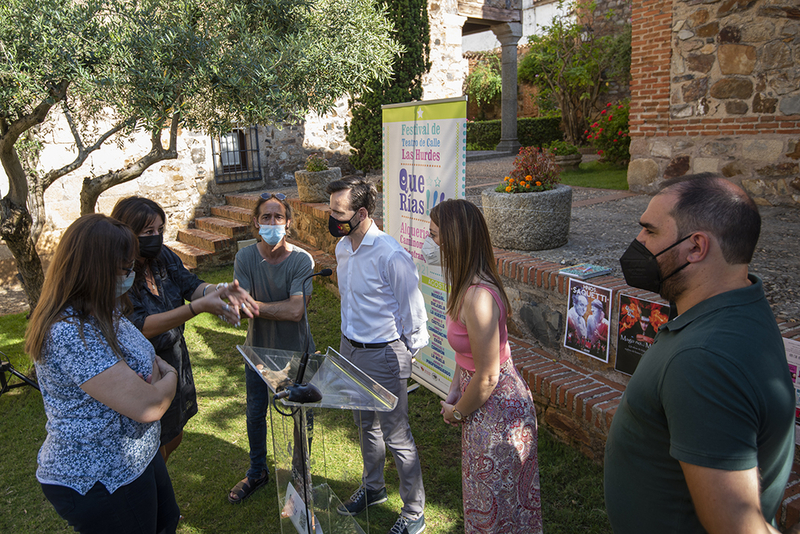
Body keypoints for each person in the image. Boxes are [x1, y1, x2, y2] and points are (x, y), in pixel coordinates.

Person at [605, 174, 795, 534]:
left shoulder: (704, 360)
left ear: (696, 248)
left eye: (650, 231)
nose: (638, 242)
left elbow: (738, 527)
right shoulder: (736, 302)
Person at [25, 214, 181, 533]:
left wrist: (156, 379)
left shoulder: (103, 310)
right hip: (99, 477)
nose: (130, 274)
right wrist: (171, 379)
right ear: (95, 270)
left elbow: (148, 362)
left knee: (166, 523)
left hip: (137, 458)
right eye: (125, 268)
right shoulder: (69, 333)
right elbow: (149, 406)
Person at [111, 196, 257, 462]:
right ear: (127, 233)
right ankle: (155, 485)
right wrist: (197, 308)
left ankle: (158, 481)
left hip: (175, 357)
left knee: (174, 432)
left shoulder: (162, 257)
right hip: (145, 367)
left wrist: (219, 290)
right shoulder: (120, 274)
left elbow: (191, 285)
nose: (156, 237)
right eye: (148, 232)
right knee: (152, 440)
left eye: (159, 230)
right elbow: (140, 327)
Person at [432, 199, 543, 534]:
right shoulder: (464, 284)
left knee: (500, 499)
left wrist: (457, 413)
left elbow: (489, 374)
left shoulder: (479, 296)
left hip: (497, 408)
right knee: (486, 494)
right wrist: (454, 389)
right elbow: (467, 355)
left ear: (455, 240)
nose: (432, 243)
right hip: (480, 401)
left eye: (436, 236)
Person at [327, 176, 429, 534]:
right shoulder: (343, 248)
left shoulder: (390, 254)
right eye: (331, 210)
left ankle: (414, 511)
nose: (333, 218)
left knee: (397, 435)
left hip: (384, 355)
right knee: (364, 425)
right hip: (350, 350)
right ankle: (373, 489)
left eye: (339, 212)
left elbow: (414, 316)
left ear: (362, 212)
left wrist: (399, 357)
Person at [228, 192, 316, 504]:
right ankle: (257, 471)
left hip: (297, 354)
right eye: (266, 217)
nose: (272, 222)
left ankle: (300, 472)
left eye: (278, 217)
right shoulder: (245, 258)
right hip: (257, 351)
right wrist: (255, 306)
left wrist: (256, 306)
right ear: (255, 222)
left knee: (300, 416)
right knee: (255, 412)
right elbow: (241, 306)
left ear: (288, 223)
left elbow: (296, 312)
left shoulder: (302, 261)